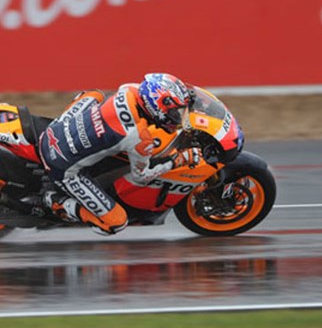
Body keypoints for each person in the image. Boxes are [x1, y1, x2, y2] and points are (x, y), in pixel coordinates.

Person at [39, 73, 202, 235]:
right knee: (115, 223)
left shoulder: (130, 89)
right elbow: (142, 176)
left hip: (55, 130)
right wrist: (177, 160)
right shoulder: (139, 138)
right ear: (157, 107)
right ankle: (54, 202)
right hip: (62, 167)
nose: (179, 118)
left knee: (95, 94)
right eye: (175, 113)